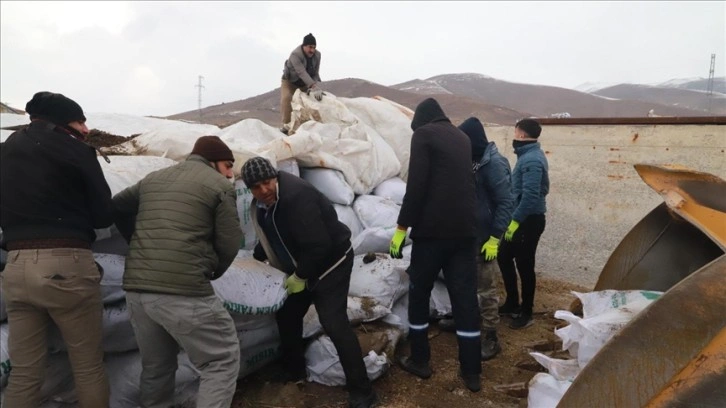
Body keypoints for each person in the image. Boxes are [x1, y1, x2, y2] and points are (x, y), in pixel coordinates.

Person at [0, 91, 114, 407]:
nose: (86, 129)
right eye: (80, 120)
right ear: (64, 122)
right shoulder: (75, 149)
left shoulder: (5, 150)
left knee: (23, 373)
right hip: (66, 264)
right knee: (88, 366)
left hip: (16, 267)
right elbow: (104, 214)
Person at [112, 135, 242, 408]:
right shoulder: (219, 186)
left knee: (157, 367)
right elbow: (230, 242)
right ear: (212, 162)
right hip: (183, 290)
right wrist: (213, 270)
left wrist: (136, 241)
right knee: (220, 360)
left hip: (138, 292)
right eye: (228, 165)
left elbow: (116, 207)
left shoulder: (154, 179)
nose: (231, 173)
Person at [241, 156, 378, 408]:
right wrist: (257, 258)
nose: (263, 190)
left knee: (334, 323)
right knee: (287, 314)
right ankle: (294, 370)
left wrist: (301, 277)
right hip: (303, 266)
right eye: (256, 187)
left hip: (331, 265)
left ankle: (363, 391)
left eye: (266, 182)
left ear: (274, 177)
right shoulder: (266, 203)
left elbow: (319, 246)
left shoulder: (296, 197)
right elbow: (274, 229)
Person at [389, 98, 482, 392]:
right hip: (465, 233)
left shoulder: (424, 135)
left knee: (419, 293)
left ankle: (420, 360)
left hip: (432, 233)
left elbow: (416, 185)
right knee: (465, 300)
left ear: (421, 121)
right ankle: (472, 373)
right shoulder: (462, 137)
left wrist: (401, 228)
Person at [438, 117, 514, 361]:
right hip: (467, 234)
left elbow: (505, 202)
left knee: (485, 288)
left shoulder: (494, 164)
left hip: (485, 237)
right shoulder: (472, 161)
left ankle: (491, 336)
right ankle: (464, 320)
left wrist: (495, 238)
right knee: (464, 283)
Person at [497, 118, 549, 330]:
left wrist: (515, 222)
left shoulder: (532, 160)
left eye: (515, 131)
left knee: (525, 265)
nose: (513, 135)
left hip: (529, 221)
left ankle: (526, 312)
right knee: (504, 256)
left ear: (521, 134)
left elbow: (530, 196)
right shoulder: (527, 155)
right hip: (521, 219)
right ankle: (512, 302)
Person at [280, 32, 323, 134]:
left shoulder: (317, 55)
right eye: (310, 47)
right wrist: (312, 85)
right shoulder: (295, 54)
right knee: (287, 99)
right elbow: (301, 72)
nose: (312, 50)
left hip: (305, 84)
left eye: (314, 47)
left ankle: (306, 129)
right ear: (304, 46)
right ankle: (286, 128)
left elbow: (316, 73)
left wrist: (314, 87)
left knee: (310, 102)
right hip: (290, 82)